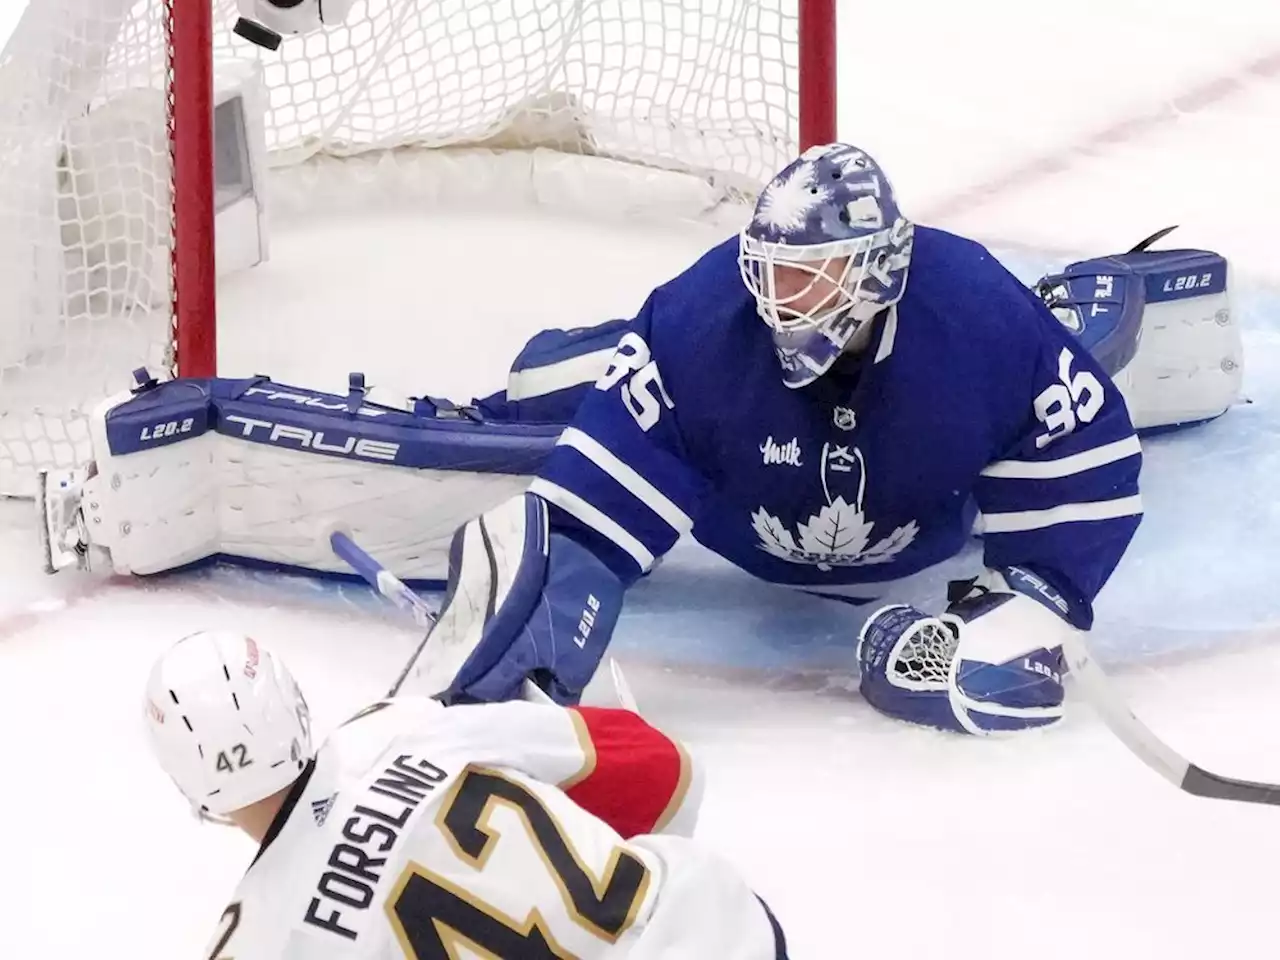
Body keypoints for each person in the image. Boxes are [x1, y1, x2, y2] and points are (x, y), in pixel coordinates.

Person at [44, 144, 1236, 737]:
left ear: (879, 279)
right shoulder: (702, 324)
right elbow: (586, 539)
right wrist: (547, 632)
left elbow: (1082, 465)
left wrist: (1023, 602)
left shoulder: (980, 322)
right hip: (720, 489)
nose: (784, 306)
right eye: (771, 274)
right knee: (548, 392)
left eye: (817, 283)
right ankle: (550, 372)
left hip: (922, 514)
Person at [145, 630, 787, 959]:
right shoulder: (396, 727)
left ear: (188, 787)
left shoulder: (252, 941)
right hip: (724, 930)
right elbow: (663, 769)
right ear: (294, 706)